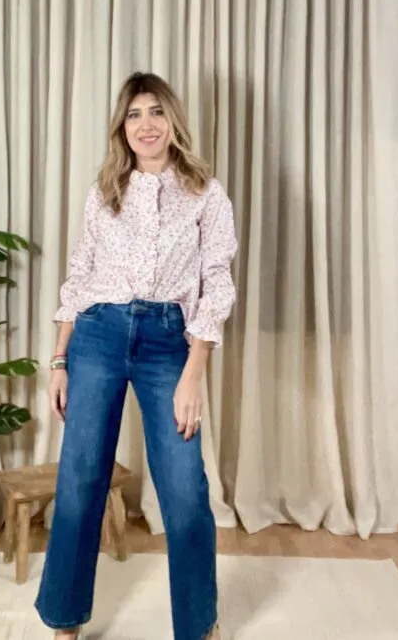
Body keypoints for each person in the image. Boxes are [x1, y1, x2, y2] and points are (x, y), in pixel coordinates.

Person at [34, 72, 238, 640]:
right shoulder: (105, 192)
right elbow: (80, 275)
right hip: (97, 336)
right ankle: (64, 621)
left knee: (185, 489)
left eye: (155, 112)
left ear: (172, 121)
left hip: (168, 341)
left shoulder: (205, 193)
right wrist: (59, 359)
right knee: (80, 479)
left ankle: (197, 625)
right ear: (121, 128)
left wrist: (194, 371)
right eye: (133, 115)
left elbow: (217, 282)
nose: (145, 125)